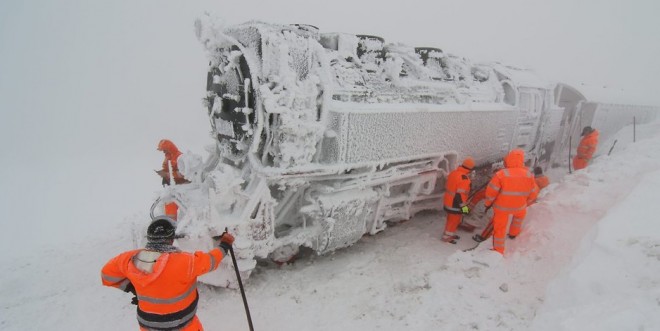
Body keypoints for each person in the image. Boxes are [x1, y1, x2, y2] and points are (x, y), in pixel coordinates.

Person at [101, 216, 235, 331]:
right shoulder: (186, 262)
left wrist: (133, 288)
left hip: (148, 327)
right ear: (171, 239)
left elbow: (107, 275)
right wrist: (224, 245)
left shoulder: (130, 259)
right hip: (184, 326)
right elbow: (211, 261)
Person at [482, 149, 539, 255]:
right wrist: (527, 203)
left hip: (502, 208)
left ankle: (498, 250)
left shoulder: (501, 174)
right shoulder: (528, 175)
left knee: (500, 228)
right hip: (520, 207)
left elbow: (491, 191)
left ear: (508, 159)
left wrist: (488, 203)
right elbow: (533, 192)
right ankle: (513, 234)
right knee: (517, 220)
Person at [441, 157, 475, 244]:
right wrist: (464, 209)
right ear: (470, 169)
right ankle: (447, 237)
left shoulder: (454, 173)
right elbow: (459, 195)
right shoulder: (464, 179)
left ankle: (449, 234)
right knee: (454, 221)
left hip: (447, 201)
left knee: (450, 219)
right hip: (454, 204)